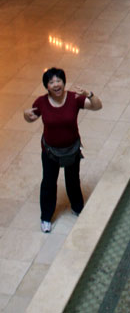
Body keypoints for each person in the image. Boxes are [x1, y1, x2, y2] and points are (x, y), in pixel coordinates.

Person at [24, 67, 102, 233]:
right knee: (48, 183)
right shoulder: (41, 102)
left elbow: (97, 106)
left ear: (64, 82)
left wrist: (89, 94)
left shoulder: (74, 98)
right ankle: (46, 217)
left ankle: (77, 207)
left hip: (71, 149)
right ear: (46, 86)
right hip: (50, 151)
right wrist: (25, 114)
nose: (56, 84)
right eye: (51, 82)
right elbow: (31, 118)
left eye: (58, 80)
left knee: (73, 180)